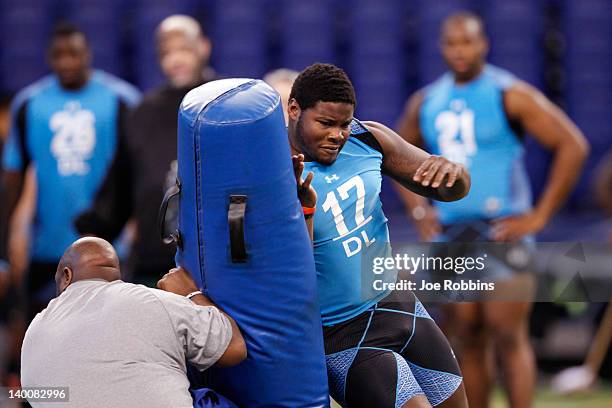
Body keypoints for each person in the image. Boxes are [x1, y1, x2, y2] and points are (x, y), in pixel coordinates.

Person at [395, 12, 589, 408]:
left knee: (508, 335)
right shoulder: (427, 101)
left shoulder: (508, 93)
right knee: (466, 337)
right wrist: (419, 210)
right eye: (452, 44)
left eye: (467, 42)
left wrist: (539, 216)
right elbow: (392, 154)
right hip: (452, 234)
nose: (460, 51)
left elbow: (573, 144)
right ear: (442, 47)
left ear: (483, 44)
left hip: (501, 230)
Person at [289, 63, 470, 407]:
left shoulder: (368, 137)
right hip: (341, 333)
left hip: (399, 306)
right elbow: (289, 271)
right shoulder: (277, 170)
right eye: (326, 123)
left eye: (343, 124)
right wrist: (303, 210)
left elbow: (451, 189)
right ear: (294, 109)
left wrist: (455, 172)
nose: (337, 135)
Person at [0, 23, 141, 320]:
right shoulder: (29, 104)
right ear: (49, 58)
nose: (66, 62)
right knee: (41, 333)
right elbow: (12, 181)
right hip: (47, 247)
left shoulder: (121, 100)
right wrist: (5, 248)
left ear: (87, 54)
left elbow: (137, 175)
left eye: (73, 54)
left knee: (106, 333)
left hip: (108, 250)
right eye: (58, 55)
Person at [20, 237, 246, 407]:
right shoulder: (150, 301)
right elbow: (235, 348)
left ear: (66, 276)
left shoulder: (33, 333)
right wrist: (189, 294)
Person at [76, 15, 217, 286]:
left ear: (204, 47)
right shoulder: (142, 113)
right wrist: (91, 233)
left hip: (215, 264)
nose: (175, 59)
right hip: (155, 266)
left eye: (183, 49)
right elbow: (118, 191)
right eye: (166, 52)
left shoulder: (228, 105)